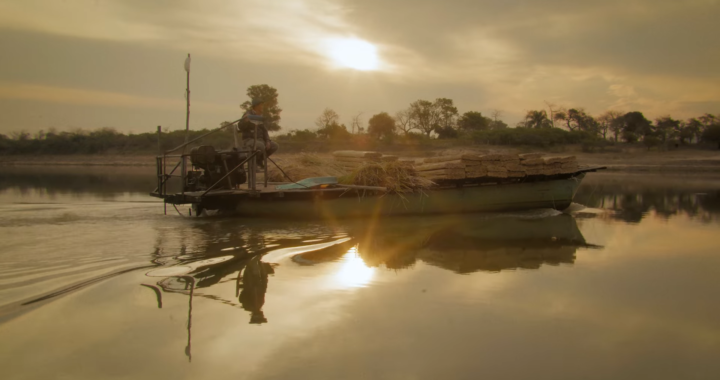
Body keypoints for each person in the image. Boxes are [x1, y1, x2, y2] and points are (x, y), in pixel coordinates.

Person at [236, 98, 279, 167]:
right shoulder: (248, 114)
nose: (262, 107)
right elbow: (240, 126)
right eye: (261, 105)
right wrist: (245, 121)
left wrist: (267, 141)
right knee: (260, 145)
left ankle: (259, 160)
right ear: (256, 106)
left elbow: (264, 130)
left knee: (274, 146)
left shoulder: (260, 116)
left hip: (260, 140)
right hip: (249, 140)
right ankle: (254, 163)